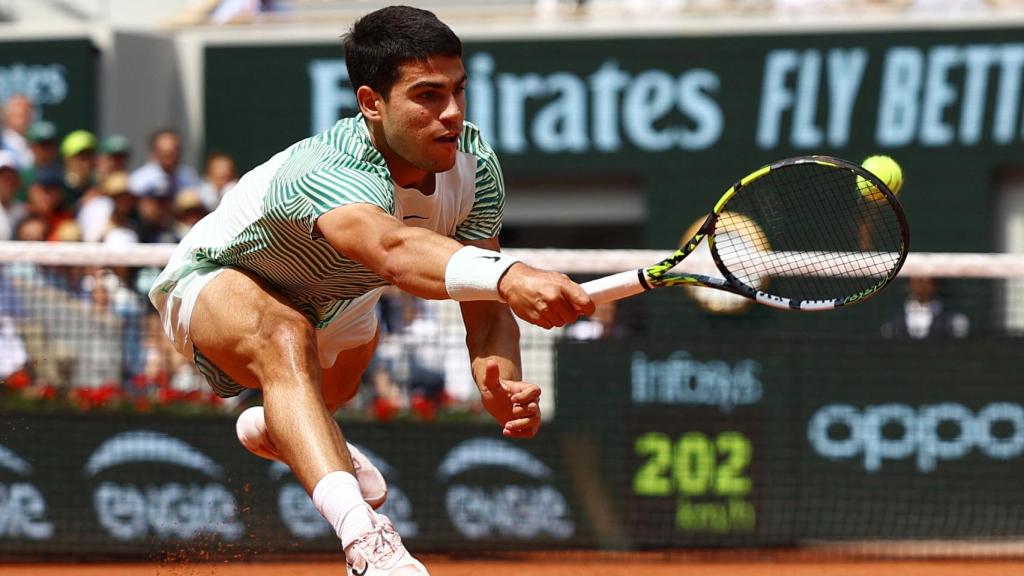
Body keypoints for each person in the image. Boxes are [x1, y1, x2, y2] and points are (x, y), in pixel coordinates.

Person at [148, 6, 593, 576]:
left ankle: (276, 426)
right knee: (285, 335)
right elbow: (395, 251)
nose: (452, 113)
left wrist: (501, 375)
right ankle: (368, 545)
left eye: (459, 91)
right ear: (371, 103)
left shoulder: (477, 164)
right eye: (428, 96)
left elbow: (483, 309)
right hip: (219, 282)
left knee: (336, 374)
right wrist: (511, 276)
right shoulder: (330, 166)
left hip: (341, 302)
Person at [880, 276, 970, 339]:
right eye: (918, 280)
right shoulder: (891, 322)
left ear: (935, 284)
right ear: (909, 283)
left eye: (927, 280)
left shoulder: (953, 320)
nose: (922, 285)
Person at [129, 128, 200, 201]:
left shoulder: (189, 176)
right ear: (153, 153)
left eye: (174, 151)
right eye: (164, 152)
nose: (170, 157)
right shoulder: (139, 181)